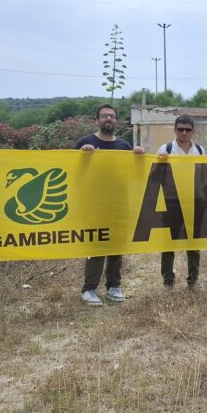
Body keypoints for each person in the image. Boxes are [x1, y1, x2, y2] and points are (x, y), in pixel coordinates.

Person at [77, 104, 145, 306]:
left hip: (119, 203)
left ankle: (114, 286)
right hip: (94, 204)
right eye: (104, 116)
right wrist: (83, 155)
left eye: (112, 116)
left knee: (117, 246)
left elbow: (135, 174)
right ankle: (89, 289)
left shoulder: (124, 145)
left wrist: (139, 156)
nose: (109, 119)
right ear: (96, 120)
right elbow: (73, 172)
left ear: (116, 121)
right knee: (96, 247)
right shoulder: (85, 142)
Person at [157, 114, 204, 289]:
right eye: (180, 129)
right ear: (175, 130)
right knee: (169, 243)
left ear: (193, 131)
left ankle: (193, 280)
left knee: (194, 244)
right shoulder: (165, 148)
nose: (184, 133)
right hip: (171, 203)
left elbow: (205, 174)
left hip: (195, 202)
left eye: (188, 129)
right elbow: (156, 175)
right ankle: (168, 281)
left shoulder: (200, 150)